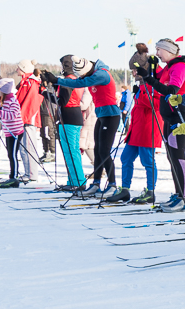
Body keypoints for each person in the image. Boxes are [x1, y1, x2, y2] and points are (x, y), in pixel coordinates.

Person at [46, 55, 121, 196]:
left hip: (111, 116)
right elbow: (80, 81)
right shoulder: (92, 74)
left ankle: (112, 184)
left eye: (82, 74)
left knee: (104, 151)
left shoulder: (102, 74)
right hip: (101, 116)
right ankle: (96, 184)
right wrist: (56, 81)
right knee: (97, 151)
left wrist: (57, 80)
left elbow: (80, 83)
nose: (81, 77)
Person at [137, 39, 185, 212]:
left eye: (159, 50)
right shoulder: (170, 66)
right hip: (169, 117)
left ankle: (183, 198)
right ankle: (178, 194)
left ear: (168, 51)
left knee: (178, 156)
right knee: (171, 156)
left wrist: (148, 78)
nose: (157, 53)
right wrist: (153, 69)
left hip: (178, 116)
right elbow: (160, 82)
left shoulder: (179, 67)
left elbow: (171, 90)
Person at [105, 52, 163, 204]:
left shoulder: (154, 82)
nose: (133, 73)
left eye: (135, 70)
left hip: (148, 127)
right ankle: (125, 189)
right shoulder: (142, 84)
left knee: (147, 160)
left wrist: (140, 96)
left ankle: (150, 191)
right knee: (126, 157)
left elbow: (157, 105)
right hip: (137, 127)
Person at [50, 63, 86, 190]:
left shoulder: (68, 81)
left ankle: (78, 181)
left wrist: (46, 94)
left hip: (69, 118)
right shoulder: (74, 79)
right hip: (72, 117)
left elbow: (63, 101)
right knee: (71, 151)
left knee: (71, 151)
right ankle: (74, 180)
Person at [0, 78, 26, 187]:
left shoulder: (12, 100)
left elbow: (12, 115)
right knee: (10, 154)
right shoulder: (3, 101)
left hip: (16, 132)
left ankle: (14, 177)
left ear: (4, 90)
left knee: (13, 154)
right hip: (8, 132)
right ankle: (12, 175)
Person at [15, 62, 43, 182]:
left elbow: (31, 102)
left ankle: (32, 174)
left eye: (19, 68)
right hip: (23, 118)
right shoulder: (25, 81)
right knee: (23, 148)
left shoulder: (31, 82)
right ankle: (28, 173)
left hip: (27, 118)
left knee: (29, 146)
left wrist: (22, 116)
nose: (17, 70)